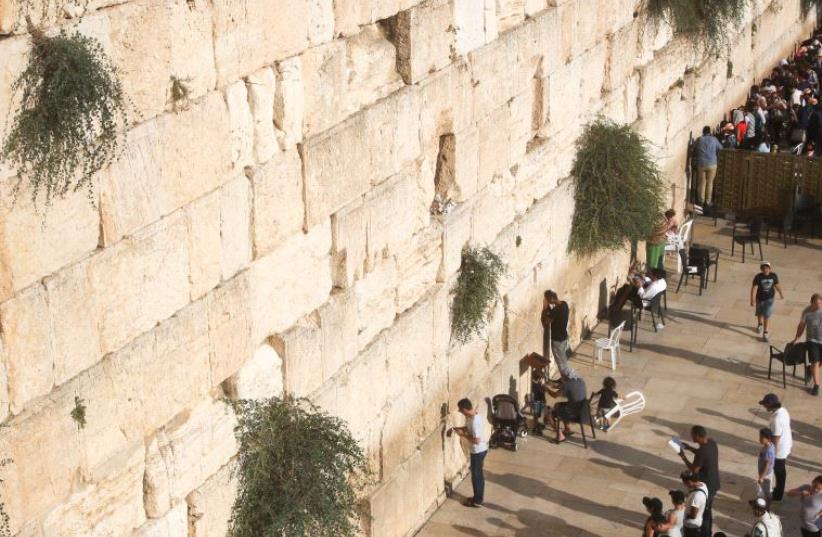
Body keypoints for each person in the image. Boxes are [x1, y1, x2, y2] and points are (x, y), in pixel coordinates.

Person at [679, 426, 720, 537]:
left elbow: (694, 469)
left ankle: (706, 534)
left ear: (697, 435)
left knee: (705, 513)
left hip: (707, 486)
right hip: (714, 482)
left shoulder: (702, 452)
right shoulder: (711, 443)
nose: (691, 437)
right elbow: (701, 454)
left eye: (692, 435)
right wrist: (689, 448)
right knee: (708, 510)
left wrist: (683, 457)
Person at [449, 398, 488, 508]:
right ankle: (477, 497)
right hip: (478, 451)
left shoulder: (475, 422)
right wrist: (458, 429)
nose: (460, 412)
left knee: (477, 476)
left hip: (478, 451)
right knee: (477, 475)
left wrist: (463, 435)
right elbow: (467, 427)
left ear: (465, 409)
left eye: (461, 410)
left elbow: (476, 440)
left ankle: (478, 500)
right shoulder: (472, 416)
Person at [758, 394, 792, 501]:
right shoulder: (783, 411)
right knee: (780, 471)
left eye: (765, 404)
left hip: (780, 449)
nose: (764, 407)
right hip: (786, 443)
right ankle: (779, 490)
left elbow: (776, 438)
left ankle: (778, 494)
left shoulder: (777, 419)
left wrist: (772, 453)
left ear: (769, 404)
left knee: (779, 471)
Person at [792, 293, 822, 396]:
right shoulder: (806, 312)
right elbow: (801, 326)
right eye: (816, 303)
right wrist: (796, 338)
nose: (818, 305)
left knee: (818, 364)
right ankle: (816, 386)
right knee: (815, 362)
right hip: (812, 340)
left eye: (820, 303)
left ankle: (809, 370)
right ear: (811, 303)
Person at [546, 369, 587, 443]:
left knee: (549, 414)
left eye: (562, 376)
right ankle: (567, 429)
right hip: (583, 410)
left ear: (566, 377)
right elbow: (562, 387)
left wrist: (546, 389)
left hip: (575, 414)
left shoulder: (567, 384)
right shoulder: (581, 381)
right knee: (558, 405)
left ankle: (560, 436)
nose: (561, 378)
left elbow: (554, 395)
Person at [750, 262, 784, 343]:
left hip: (769, 299)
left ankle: (765, 332)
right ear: (761, 269)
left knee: (766, 315)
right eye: (763, 268)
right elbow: (754, 288)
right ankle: (760, 324)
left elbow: (777, 285)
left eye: (767, 268)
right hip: (759, 298)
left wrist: (781, 293)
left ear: (770, 268)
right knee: (759, 313)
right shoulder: (758, 277)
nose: (765, 270)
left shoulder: (773, 276)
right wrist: (752, 299)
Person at [541, 290, 572, 377]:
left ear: (551, 298)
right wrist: (549, 309)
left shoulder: (555, 310)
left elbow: (546, 322)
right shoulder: (564, 304)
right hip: (564, 338)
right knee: (563, 361)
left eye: (547, 299)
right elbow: (554, 314)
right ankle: (566, 379)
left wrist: (544, 308)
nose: (547, 301)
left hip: (557, 340)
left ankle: (566, 381)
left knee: (561, 363)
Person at [693, 127, 723, 206]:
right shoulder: (714, 139)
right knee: (710, 183)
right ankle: (708, 201)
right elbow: (721, 148)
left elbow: (693, 148)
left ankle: (701, 201)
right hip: (712, 164)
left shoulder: (699, 139)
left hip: (701, 164)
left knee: (702, 183)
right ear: (710, 132)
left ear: (703, 132)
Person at [681, 471, 710, 537]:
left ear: (689, 482)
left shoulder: (697, 496)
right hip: (696, 524)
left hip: (691, 526)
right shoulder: (703, 485)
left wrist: (684, 515)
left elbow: (693, 515)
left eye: (685, 483)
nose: (685, 485)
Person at [756, 428, 776, 501]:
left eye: (762, 438)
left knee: (762, 490)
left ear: (768, 439)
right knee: (765, 489)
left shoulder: (768, 450)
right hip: (766, 472)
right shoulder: (769, 445)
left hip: (766, 474)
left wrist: (762, 477)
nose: (760, 439)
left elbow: (767, 464)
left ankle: (763, 504)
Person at [530, 368, 547, 434]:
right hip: (538, 401)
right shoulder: (536, 385)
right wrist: (543, 387)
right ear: (539, 378)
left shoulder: (535, 383)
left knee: (536, 415)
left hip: (537, 401)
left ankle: (536, 427)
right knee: (537, 415)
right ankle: (536, 428)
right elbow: (541, 392)